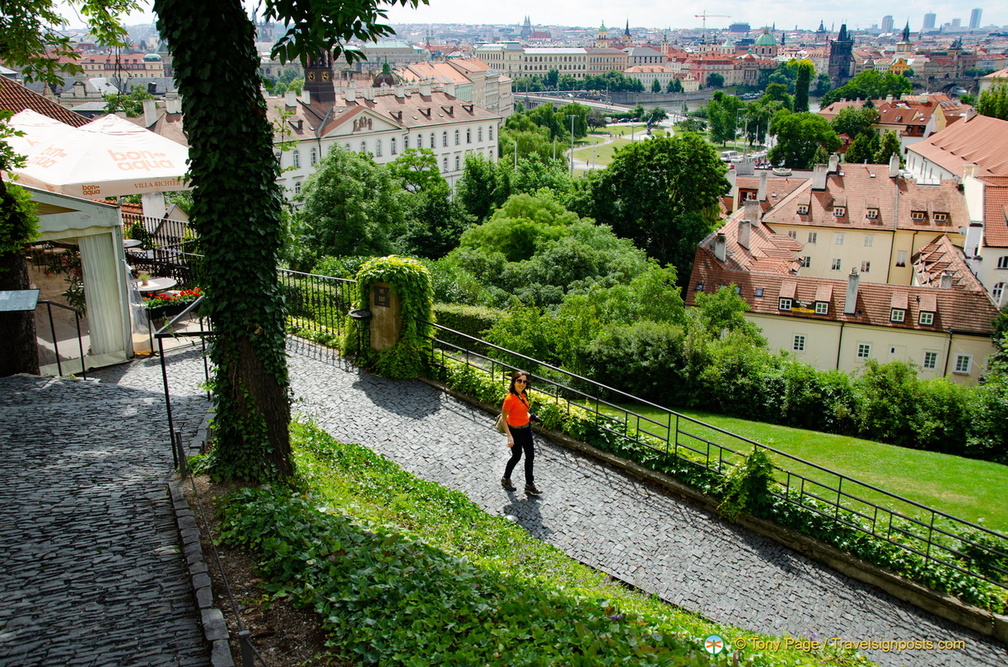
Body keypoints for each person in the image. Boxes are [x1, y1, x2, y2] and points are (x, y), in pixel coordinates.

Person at [500, 370, 541, 496]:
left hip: (526, 429)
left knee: (530, 457)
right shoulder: (509, 399)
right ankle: (506, 478)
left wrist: (531, 417)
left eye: (524, 381)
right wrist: (509, 436)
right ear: (514, 381)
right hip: (515, 431)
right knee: (516, 456)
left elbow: (524, 412)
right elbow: (503, 418)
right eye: (519, 381)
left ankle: (529, 485)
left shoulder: (523, 395)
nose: (522, 384)